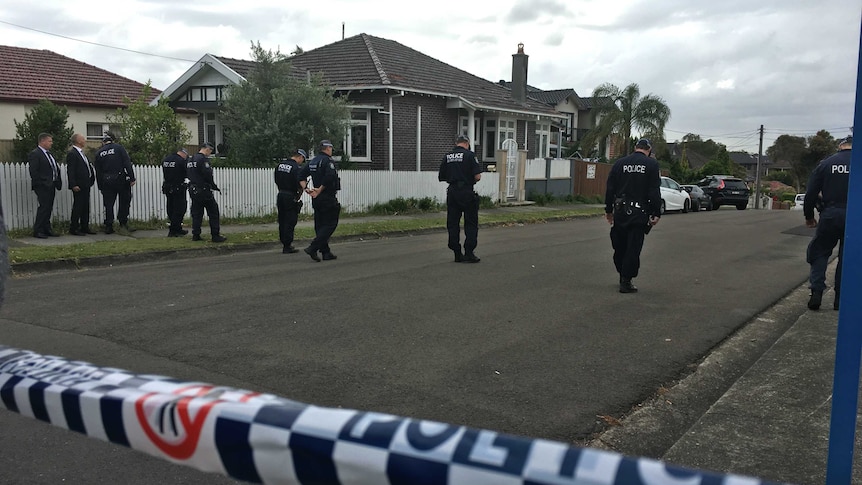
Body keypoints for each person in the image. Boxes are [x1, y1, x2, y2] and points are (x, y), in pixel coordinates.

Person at [604, 138, 662, 293]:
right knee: (633, 247)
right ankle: (626, 279)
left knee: (620, 246)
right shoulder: (651, 165)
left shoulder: (620, 163)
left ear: (636, 147)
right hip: (639, 213)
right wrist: (656, 212)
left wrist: (608, 210)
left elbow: (610, 188)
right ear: (648, 150)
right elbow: (654, 191)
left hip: (620, 211)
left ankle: (622, 272)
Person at [803, 135, 852, 311]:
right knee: (847, 258)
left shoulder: (826, 164)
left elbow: (810, 194)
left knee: (819, 252)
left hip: (830, 214)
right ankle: (840, 298)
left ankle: (816, 292)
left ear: (840, 146)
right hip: (855, 218)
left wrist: (809, 216)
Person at [438, 134, 482, 263]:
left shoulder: (447, 156)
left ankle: (457, 252)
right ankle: (469, 252)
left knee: (452, 223)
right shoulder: (470, 155)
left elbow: (442, 176)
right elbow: (478, 176)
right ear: (467, 144)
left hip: (452, 192)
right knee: (471, 223)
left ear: (456, 143)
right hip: (467, 192)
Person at [299, 140, 340, 261]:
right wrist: (320, 189)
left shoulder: (313, 161)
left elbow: (301, 175)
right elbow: (329, 177)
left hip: (316, 198)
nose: (331, 150)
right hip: (327, 196)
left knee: (320, 225)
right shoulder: (327, 161)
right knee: (331, 224)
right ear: (327, 148)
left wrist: (306, 189)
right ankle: (313, 247)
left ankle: (325, 252)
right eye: (331, 148)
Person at [94, 134, 136, 234]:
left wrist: (100, 185)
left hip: (107, 181)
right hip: (121, 179)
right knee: (124, 202)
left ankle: (109, 225)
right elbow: (127, 163)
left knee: (108, 204)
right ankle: (123, 223)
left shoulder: (99, 153)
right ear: (112, 141)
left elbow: (98, 171)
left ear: (103, 143)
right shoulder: (119, 148)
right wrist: (131, 177)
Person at [187, 142, 226, 243]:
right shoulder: (203, 160)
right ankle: (215, 235)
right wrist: (213, 186)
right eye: (210, 151)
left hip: (193, 189)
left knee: (197, 213)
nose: (210, 153)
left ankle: (196, 234)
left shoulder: (190, 159)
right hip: (203, 190)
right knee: (213, 212)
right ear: (207, 149)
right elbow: (208, 174)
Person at [27, 132, 62, 238]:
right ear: (42, 141)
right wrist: (40, 183)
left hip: (52, 184)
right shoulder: (35, 154)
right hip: (43, 185)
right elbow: (34, 171)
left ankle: (47, 228)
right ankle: (38, 230)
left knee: (48, 207)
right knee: (44, 207)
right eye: (49, 141)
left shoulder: (49, 154)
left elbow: (54, 168)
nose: (51, 143)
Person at [275, 149, 308, 253]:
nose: (302, 162)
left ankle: (284, 241)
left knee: (282, 219)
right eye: (303, 160)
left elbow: (276, 179)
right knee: (290, 220)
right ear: (300, 157)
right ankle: (287, 245)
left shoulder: (280, 165)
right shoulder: (297, 168)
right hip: (290, 196)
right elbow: (300, 183)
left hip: (281, 194)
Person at [65, 133, 97, 235]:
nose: (85, 141)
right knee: (78, 206)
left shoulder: (82, 154)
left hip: (86, 184)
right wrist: (73, 184)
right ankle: (74, 228)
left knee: (85, 206)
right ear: (78, 141)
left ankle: (85, 226)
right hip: (79, 185)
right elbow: (71, 170)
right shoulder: (72, 153)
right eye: (83, 139)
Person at [162, 147, 190, 237]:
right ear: (183, 153)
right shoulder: (181, 161)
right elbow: (186, 173)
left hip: (167, 187)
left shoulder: (166, 159)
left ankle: (177, 228)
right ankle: (174, 231)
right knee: (179, 209)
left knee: (170, 208)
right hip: (178, 188)